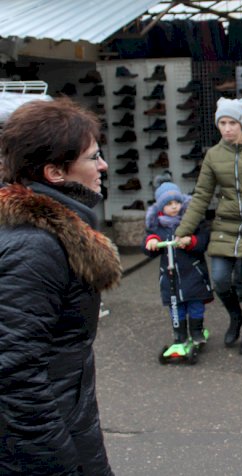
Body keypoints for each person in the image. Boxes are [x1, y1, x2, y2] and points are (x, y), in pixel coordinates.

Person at [0, 98, 120, 475]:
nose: (102, 166)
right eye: (92, 157)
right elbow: (15, 374)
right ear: (54, 172)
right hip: (48, 446)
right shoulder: (35, 246)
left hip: (67, 425)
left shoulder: (52, 233)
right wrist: (60, 463)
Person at [175, 97, 242, 355]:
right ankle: (236, 317)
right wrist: (183, 231)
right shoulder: (214, 155)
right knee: (222, 281)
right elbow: (202, 195)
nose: (226, 128)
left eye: (231, 122)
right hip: (225, 227)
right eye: (222, 123)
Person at [143, 182, 213, 345]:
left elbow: (203, 241)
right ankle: (179, 335)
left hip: (193, 273)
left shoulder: (191, 221)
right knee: (176, 308)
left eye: (177, 202)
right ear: (161, 207)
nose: (174, 207)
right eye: (169, 204)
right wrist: (151, 241)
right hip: (170, 277)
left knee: (195, 304)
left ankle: (196, 332)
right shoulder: (158, 227)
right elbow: (147, 244)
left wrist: (191, 241)